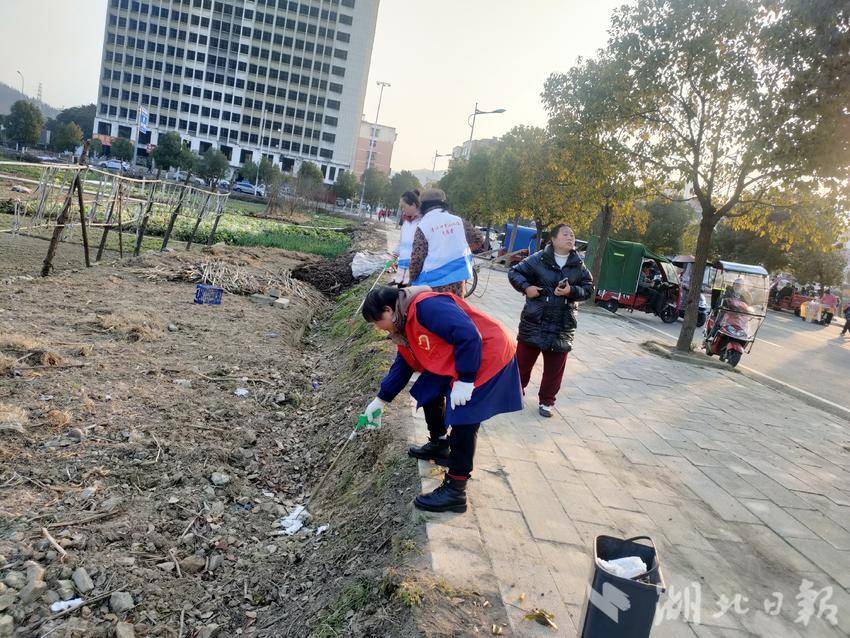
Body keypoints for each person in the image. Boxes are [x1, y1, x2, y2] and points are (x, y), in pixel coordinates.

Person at [361, 285, 522, 513]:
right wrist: (380, 400)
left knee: (464, 417)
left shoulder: (427, 307)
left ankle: (456, 489)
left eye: (377, 322)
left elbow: (469, 335)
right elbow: (404, 363)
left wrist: (465, 380)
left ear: (388, 310)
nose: (378, 328)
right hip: (459, 357)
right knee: (428, 388)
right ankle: (439, 443)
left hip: (486, 353)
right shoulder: (403, 325)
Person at [507, 224, 593, 418]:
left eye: (572, 235)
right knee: (522, 363)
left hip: (562, 325)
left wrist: (571, 291)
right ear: (553, 239)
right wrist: (526, 288)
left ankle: (547, 401)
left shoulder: (578, 265)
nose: (570, 238)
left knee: (555, 369)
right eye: (565, 234)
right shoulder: (538, 259)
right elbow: (514, 272)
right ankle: (515, 392)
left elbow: (589, 288)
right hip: (535, 321)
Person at [408, 188, 483, 296]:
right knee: (453, 306)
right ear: (443, 203)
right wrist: (460, 250)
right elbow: (478, 238)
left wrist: (412, 279)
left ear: (422, 205)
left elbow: (417, 258)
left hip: (432, 285)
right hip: (457, 283)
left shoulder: (423, 225)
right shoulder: (458, 221)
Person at [393, 189, 421, 286]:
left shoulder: (422, 223)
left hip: (413, 267)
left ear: (413, 205)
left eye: (404, 206)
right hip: (402, 263)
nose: (402, 209)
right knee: (400, 288)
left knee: (408, 291)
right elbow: (401, 241)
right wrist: (394, 255)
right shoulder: (405, 223)